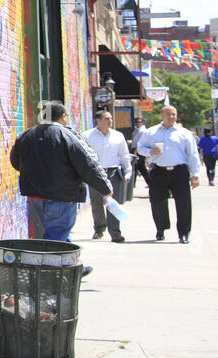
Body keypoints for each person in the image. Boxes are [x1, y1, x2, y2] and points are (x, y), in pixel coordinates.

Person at [10, 101, 114, 277]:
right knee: (56, 235)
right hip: (62, 195)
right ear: (63, 117)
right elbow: (87, 164)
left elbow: (15, 161)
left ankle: (72, 267)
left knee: (57, 233)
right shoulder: (67, 135)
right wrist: (105, 188)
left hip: (35, 195)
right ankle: (48, 273)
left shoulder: (26, 135)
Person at [135, 105, 202, 243]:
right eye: (168, 114)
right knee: (157, 201)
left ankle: (184, 233)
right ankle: (161, 228)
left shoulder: (184, 133)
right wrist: (150, 152)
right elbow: (140, 148)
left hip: (180, 171)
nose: (171, 117)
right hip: (159, 170)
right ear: (162, 115)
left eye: (174, 114)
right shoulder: (151, 132)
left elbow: (193, 154)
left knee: (184, 203)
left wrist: (195, 175)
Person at [83, 110, 131, 243]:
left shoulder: (118, 136)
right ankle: (99, 229)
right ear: (98, 120)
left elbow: (124, 156)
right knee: (97, 202)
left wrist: (128, 172)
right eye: (106, 118)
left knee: (113, 203)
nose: (110, 121)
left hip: (113, 172)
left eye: (110, 118)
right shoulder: (87, 136)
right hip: (95, 173)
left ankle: (115, 233)